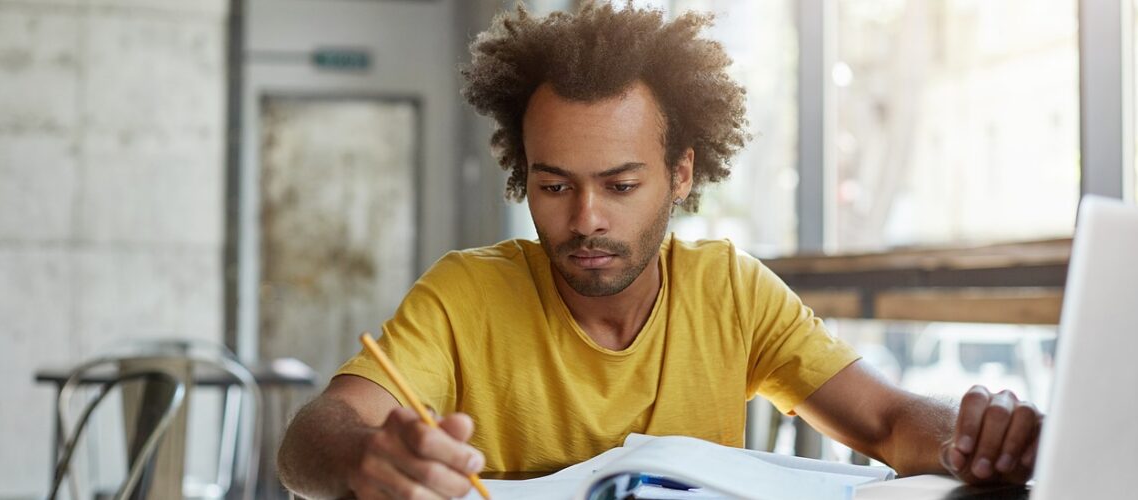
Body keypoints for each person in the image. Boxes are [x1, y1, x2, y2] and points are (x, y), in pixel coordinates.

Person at [277, 4, 1043, 499]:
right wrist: (366, 456)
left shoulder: (730, 292)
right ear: (524, 174)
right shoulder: (466, 295)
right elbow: (310, 441)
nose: (585, 220)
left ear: (681, 173)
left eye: (619, 184)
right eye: (554, 187)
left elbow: (888, 423)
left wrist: (973, 435)